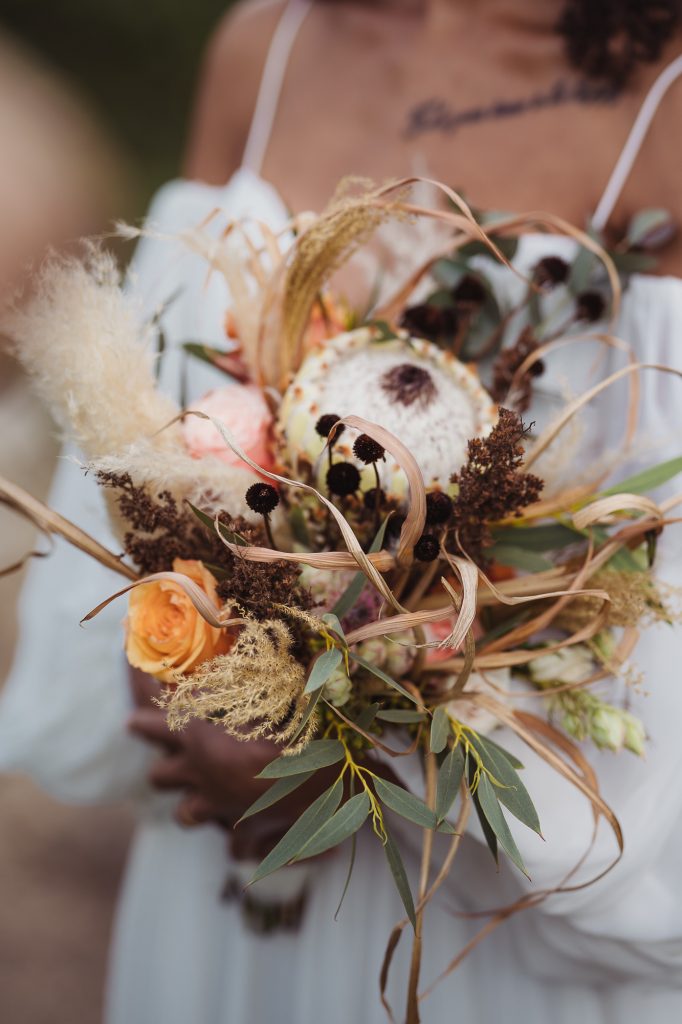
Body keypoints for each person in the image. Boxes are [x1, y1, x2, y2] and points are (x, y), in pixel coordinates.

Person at [2, 2, 682, 1021]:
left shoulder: (662, 109)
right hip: (220, 879)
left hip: (469, 935)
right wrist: (192, 670)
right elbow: (136, 444)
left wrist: (350, 757)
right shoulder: (267, 48)